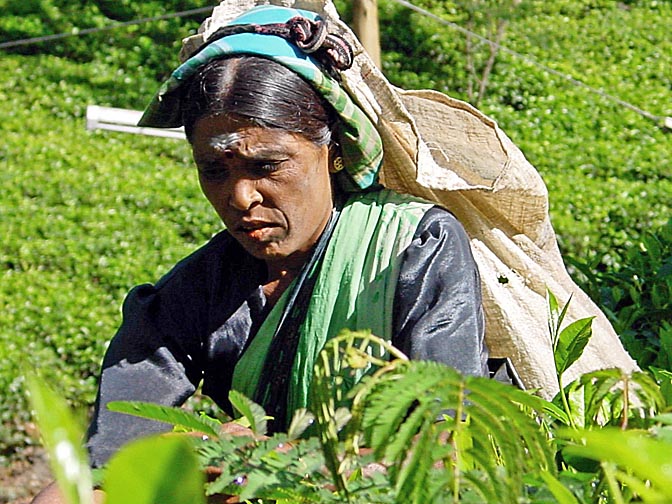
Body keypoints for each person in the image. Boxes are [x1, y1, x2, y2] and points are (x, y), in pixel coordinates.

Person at [33, 4, 488, 502]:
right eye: (214, 170)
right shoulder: (201, 287)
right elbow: (112, 460)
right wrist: (193, 458)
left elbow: (449, 442)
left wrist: (282, 463)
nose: (241, 197)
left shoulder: (411, 246)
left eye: (267, 166)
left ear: (332, 147)